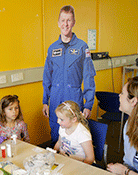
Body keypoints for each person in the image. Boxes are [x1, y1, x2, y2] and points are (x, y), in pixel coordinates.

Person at [42, 5, 96, 147]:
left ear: (73, 22)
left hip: (74, 98)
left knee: (75, 137)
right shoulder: (52, 48)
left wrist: (89, 103)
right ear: (58, 23)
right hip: (55, 99)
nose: (65, 24)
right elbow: (47, 77)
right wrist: (44, 101)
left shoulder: (81, 47)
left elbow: (89, 77)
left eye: (69, 20)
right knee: (56, 134)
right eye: (63, 20)